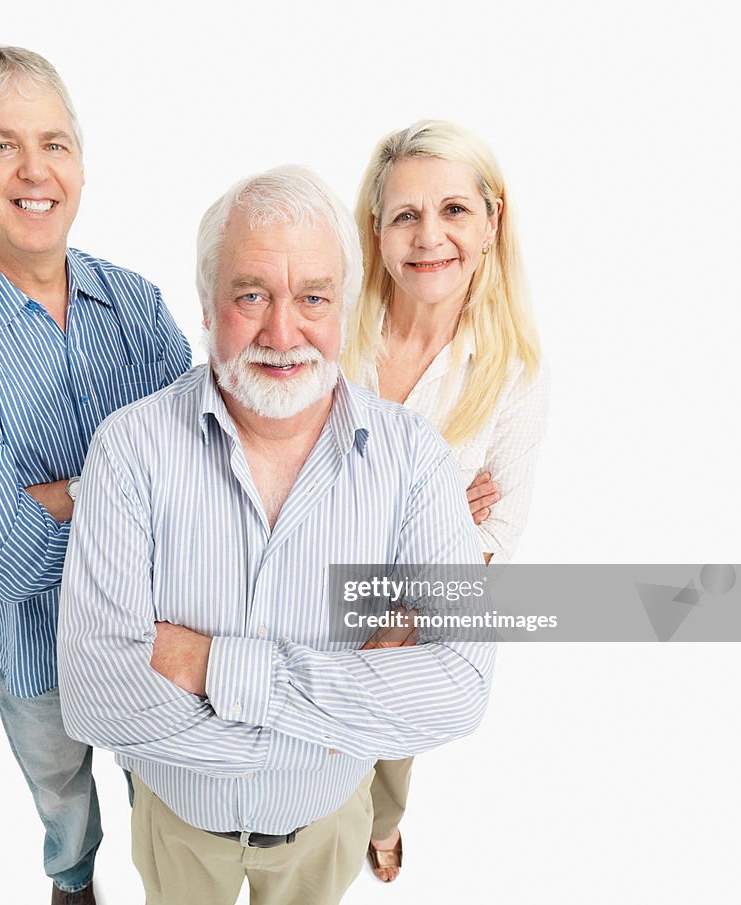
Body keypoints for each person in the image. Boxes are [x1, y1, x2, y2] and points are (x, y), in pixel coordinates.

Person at [57, 165, 496, 905]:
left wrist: (208, 665)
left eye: (313, 297)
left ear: (346, 308)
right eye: (251, 294)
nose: (282, 331)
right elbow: (98, 695)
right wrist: (332, 726)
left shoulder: (416, 457)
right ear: (206, 303)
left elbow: (461, 685)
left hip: (324, 827)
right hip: (180, 826)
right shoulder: (129, 448)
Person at [0, 45, 192, 905]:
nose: (34, 170)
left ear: (82, 165)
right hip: (36, 649)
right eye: (1, 145)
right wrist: (130, 482)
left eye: (55, 143)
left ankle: (157, 872)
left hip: (154, 638)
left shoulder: (136, 303)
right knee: (63, 795)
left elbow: (205, 468)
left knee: (162, 799)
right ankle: (74, 877)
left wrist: (59, 493)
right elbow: (10, 560)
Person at [341, 119, 549, 883]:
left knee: (390, 758)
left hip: (416, 622)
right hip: (298, 587)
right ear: (378, 229)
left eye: (454, 210)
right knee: (306, 767)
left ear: (493, 220)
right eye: (406, 215)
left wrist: (426, 567)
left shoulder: (516, 374)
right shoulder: (332, 329)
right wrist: (435, 517)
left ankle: (384, 825)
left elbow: (495, 532)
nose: (430, 236)